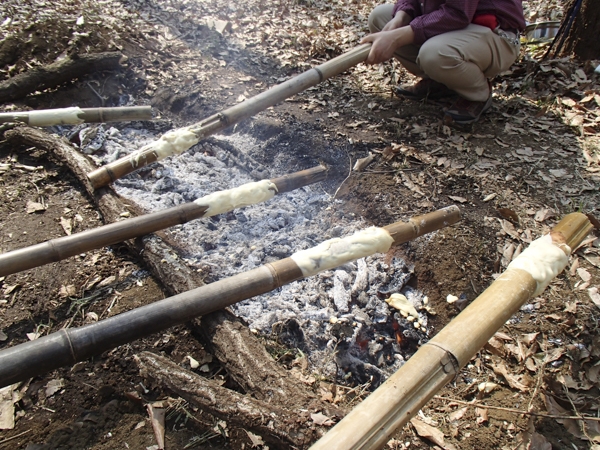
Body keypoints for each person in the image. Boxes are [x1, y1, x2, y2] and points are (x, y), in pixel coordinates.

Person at [361, 0, 526, 124]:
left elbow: (457, 13)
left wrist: (396, 38)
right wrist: (400, 19)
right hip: (455, 26)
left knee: (434, 54)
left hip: (496, 34)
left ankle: (478, 93)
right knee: (380, 18)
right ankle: (443, 81)